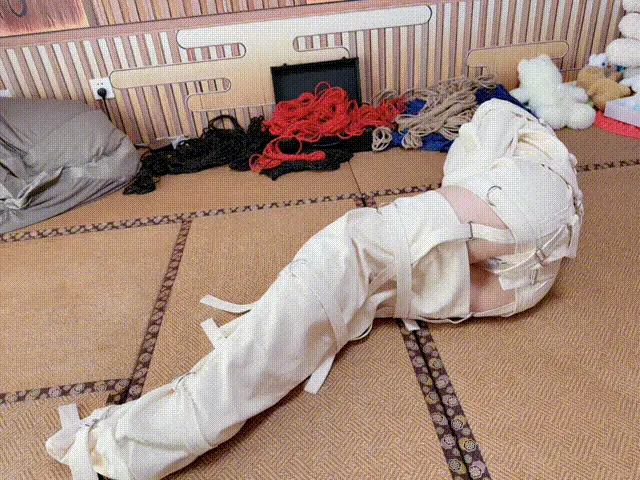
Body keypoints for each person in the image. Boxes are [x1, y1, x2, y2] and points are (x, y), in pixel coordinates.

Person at [46, 99, 583, 480]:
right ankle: (148, 435)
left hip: (521, 218)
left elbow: (454, 194)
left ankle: (141, 442)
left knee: (351, 246)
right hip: (523, 283)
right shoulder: (517, 139)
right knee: (354, 287)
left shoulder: (497, 118)